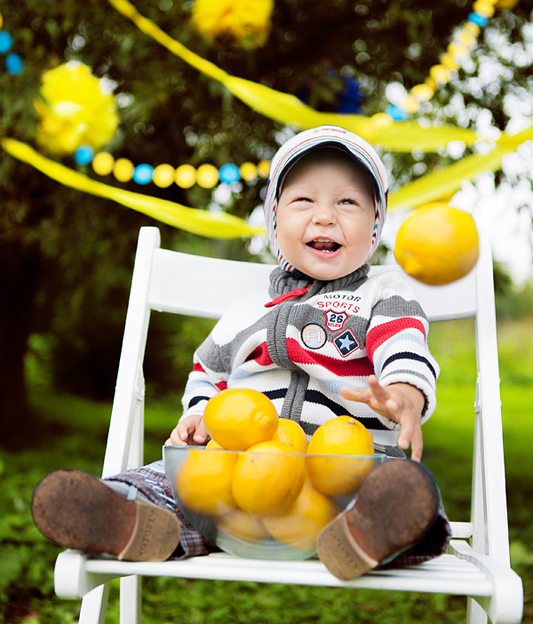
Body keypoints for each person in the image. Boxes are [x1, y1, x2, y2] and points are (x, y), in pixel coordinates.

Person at [32, 125, 450, 577]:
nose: (325, 217)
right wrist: (199, 415)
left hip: (347, 477)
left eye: (347, 202)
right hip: (237, 479)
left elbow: (404, 344)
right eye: (303, 200)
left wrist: (404, 393)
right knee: (178, 482)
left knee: (404, 494)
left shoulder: (383, 294)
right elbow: (207, 373)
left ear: (375, 226)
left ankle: (365, 534)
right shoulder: (246, 310)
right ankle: (126, 515)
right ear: (274, 221)